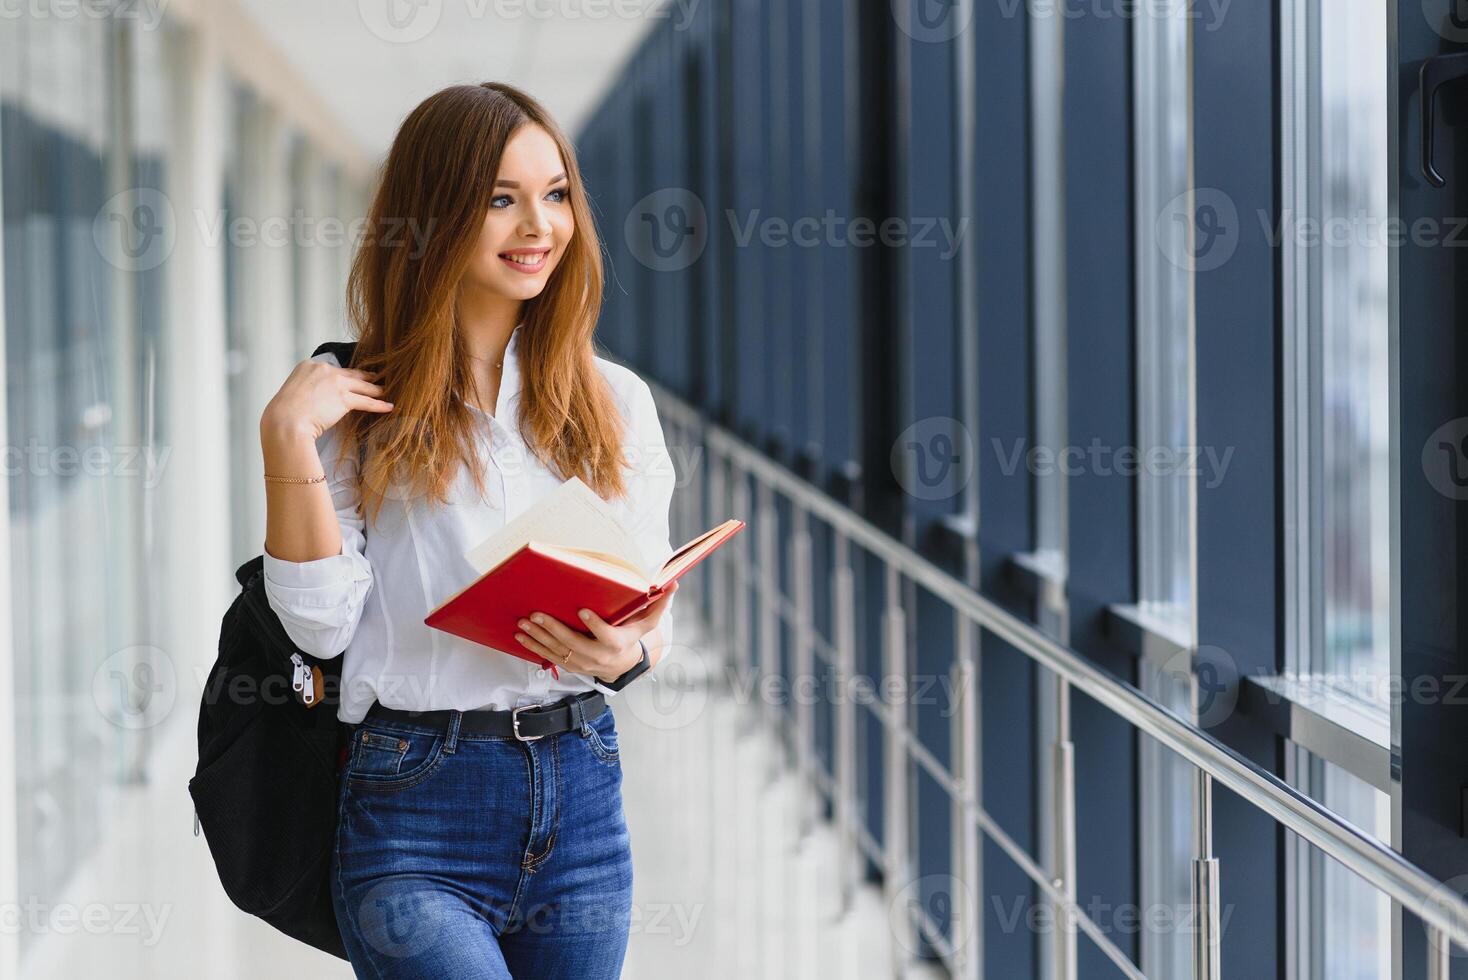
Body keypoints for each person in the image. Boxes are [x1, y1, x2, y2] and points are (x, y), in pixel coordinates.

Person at [257, 81, 678, 979]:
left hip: (582, 791)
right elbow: (318, 625)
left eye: (555, 194)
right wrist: (286, 440)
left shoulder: (617, 403)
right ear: (434, 212)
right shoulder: (353, 403)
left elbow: (646, 609)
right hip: (413, 796)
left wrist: (627, 651)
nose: (540, 225)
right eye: (500, 198)